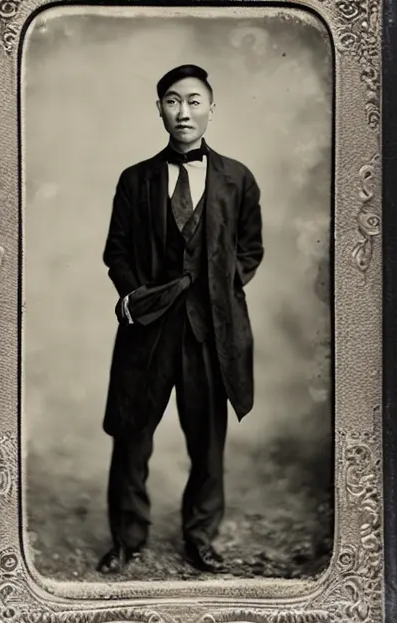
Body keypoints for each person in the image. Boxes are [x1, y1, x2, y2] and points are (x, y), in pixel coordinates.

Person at [98, 64, 263, 574]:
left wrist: (215, 286)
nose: (183, 111)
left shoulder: (237, 178)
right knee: (132, 435)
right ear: (160, 110)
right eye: (172, 101)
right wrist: (137, 296)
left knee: (207, 442)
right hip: (148, 333)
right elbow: (116, 252)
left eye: (194, 101)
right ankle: (127, 538)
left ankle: (201, 536)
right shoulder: (135, 179)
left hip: (210, 334)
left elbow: (251, 250)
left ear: (212, 109)